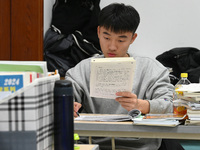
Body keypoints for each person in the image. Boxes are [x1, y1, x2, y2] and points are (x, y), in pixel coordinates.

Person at [65, 3, 182, 150]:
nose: (112, 46)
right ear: (99, 32)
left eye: (121, 40)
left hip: (141, 146)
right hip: (94, 145)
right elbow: (63, 97)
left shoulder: (151, 69)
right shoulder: (82, 69)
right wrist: (68, 105)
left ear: (133, 38)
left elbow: (170, 103)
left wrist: (141, 105)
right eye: (106, 37)